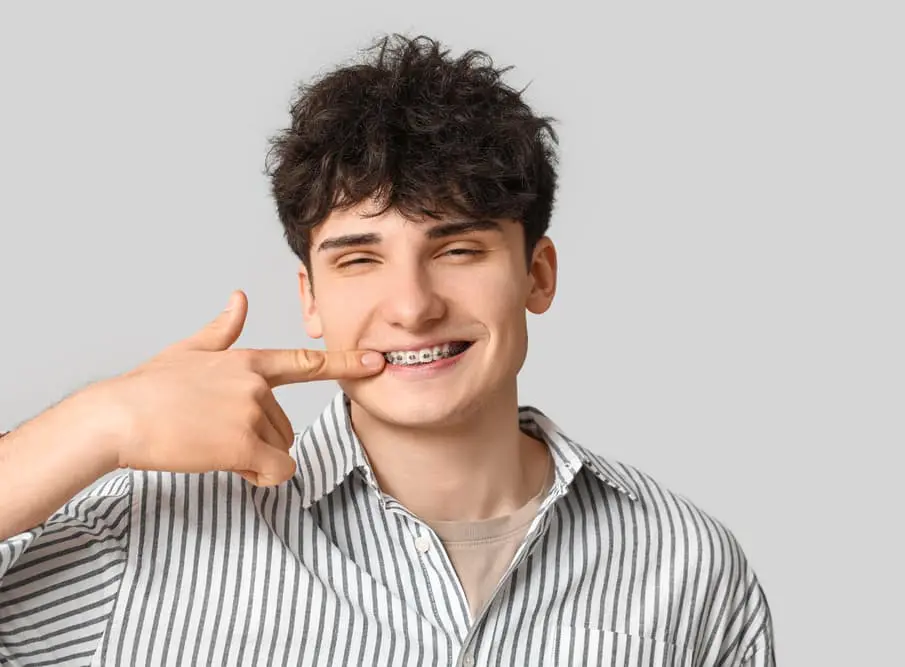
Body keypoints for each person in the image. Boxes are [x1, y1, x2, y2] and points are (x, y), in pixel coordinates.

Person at [0, 34, 775, 666]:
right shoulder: (134, 547)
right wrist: (99, 422)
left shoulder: (688, 565)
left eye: (459, 249)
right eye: (359, 259)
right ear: (308, 296)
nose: (412, 306)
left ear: (536, 274)